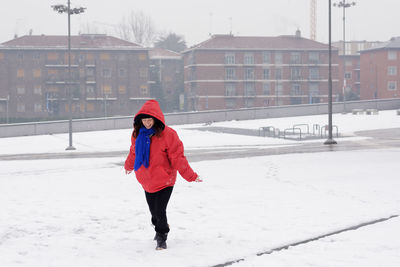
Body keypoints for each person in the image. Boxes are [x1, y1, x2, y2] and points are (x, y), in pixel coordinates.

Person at [124, 100, 202, 250]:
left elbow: (178, 158)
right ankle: (160, 224)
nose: (147, 123)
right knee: (153, 213)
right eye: (144, 120)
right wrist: (128, 166)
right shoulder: (137, 135)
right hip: (147, 180)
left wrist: (191, 175)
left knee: (160, 211)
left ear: (156, 118)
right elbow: (134, 152)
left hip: (165, 180)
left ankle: (162, 236)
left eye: (150, 119)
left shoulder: (168, 135)